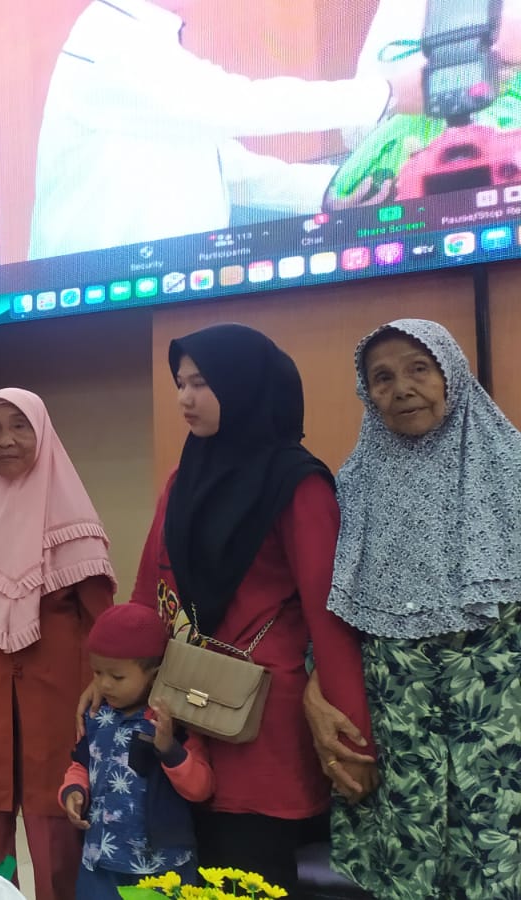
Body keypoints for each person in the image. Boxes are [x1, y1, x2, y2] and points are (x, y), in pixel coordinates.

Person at [82, 323, 376, 891]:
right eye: (180, 383)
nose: (184, 398)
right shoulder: (183, 480)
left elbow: (330, 619)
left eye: (201, 382)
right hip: (181, 715)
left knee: (248, 876)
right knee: (181, 873)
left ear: (243, 385)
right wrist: (110, 674)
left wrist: (350, 740)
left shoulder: (297, 485)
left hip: (262, 724)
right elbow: (149, 592)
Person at [323, 319, 521, 899]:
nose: (402, 388)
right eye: (381, 378)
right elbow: (336, 602)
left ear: (450, 375)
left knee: (497, 855)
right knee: (406, 857)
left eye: (419, 369)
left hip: (498, 712)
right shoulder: (356, 482)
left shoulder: (511, 466)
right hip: (397, 713)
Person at [27, 0, 425, 260]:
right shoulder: (111, 40)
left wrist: (328, 191)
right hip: (96, 306)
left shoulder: (148, 42)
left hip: (152, 297)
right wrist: (387, 93)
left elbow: (224, 164)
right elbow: (242, 105)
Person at [0, 388, 115, 900]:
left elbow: (103, 625)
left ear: (42, 433)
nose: (4, 439)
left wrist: (107, 692)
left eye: (19, 426)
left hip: (60, 705)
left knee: (58, 843)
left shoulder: (74, 522)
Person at [63, 603, 212, 898]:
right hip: (101, 861)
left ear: (154, 675)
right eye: (97, 672)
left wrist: (169, 750)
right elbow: (80, 764)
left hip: (163, 868)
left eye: (117, 677)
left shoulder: (174, 723)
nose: (104, 684)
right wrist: (73, 791)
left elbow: (201, 788)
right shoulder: (95, 716)